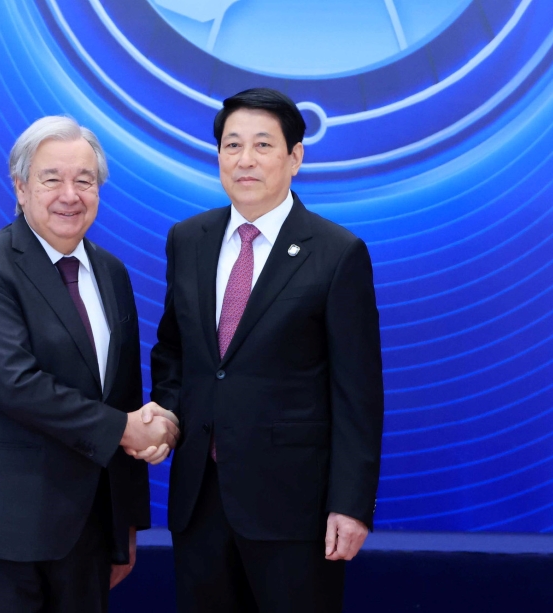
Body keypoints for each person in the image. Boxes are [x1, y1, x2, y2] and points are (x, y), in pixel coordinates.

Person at [0, 115, 179, 613]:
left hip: (86, 536)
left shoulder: (111, 272)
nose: (70, 195)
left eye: (84, 180)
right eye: (51, 180)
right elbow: (15, 384)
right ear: (20, 188)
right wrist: (126, 430)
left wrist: (126, 525)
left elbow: (123, 394)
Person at [150, 88, 384, 612]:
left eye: (262, 144)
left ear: (295, 157)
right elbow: (174, 351)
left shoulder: (337, 253)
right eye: (232, 145)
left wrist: (350, 504)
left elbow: (358, 394)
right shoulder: (187, 239)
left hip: (294, 508)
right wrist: (166, 413)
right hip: (200, 499)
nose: (245, 159)